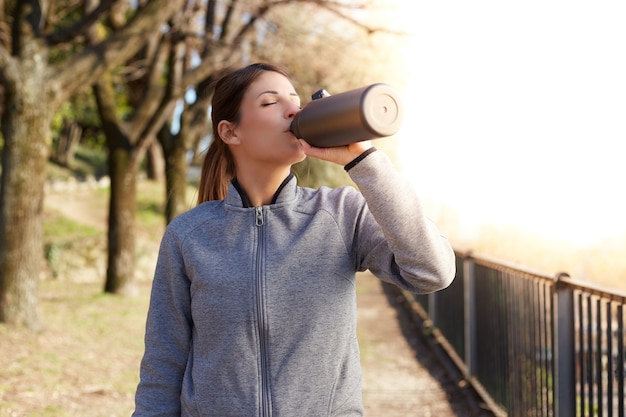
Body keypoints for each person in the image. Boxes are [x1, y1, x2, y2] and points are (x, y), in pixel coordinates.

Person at [132, 62, 456, 417]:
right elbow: (164, 363)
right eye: (270, 103)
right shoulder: (189, 235)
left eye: (296, 100)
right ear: (230, 132)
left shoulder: (340, 213)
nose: (292, 110)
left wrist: (363, 161)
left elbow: (432, 271)